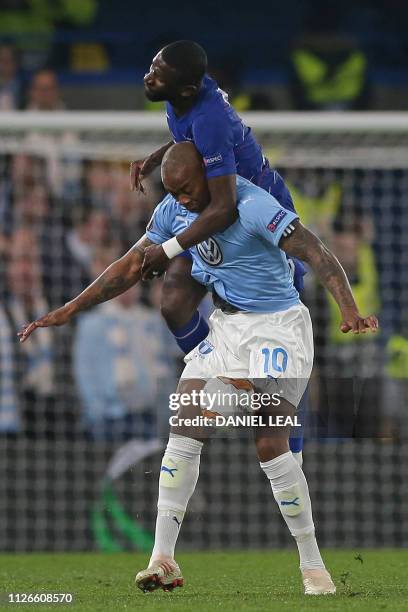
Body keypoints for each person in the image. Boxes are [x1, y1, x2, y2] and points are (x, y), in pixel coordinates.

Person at [18, 143, 378, 595]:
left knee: (269, 443)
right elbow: (129, 265)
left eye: (187, 190)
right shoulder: (173, 210)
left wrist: (349, 310)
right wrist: (69, 309)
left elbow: (317, 252)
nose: (181, 200)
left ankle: (312, 565)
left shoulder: (252, 205)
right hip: (227, 328)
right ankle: (161, 557)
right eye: (173, 191)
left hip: (279, 330)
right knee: (185, 420)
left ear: (208, 178)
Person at [130, 39, 307, 461]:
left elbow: (227, 207)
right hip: (212, 213)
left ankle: (292, 453)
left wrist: (170, 247)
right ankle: (214, 368)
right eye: (152, 66)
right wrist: (158, 157)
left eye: (158, 73)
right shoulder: (185, 96)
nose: (148, 77)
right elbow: (194, 144)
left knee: (273, 379)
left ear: (187, 89)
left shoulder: (208, 117)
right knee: (173, 300)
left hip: (256, 223)